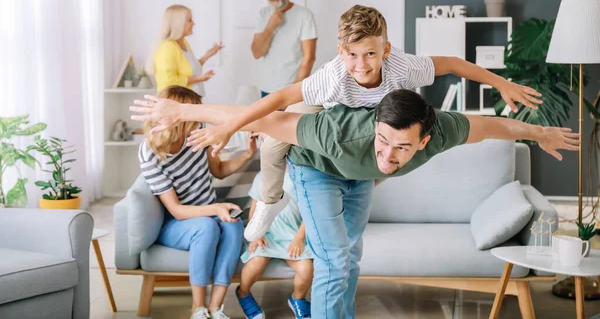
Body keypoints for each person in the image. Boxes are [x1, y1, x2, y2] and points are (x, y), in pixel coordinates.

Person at [130, 89, 579, 319]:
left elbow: (491, 126)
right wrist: (185, 110)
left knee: (351, 256)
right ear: (373, 129)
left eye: (402, 149)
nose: (389, 156)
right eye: (382, 142)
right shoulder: (338, 132)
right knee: (333, 257)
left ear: (425, 140)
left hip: (357, 178)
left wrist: (540, 133)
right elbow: (264, 115)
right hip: (314, 169)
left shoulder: (443, 131)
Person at [192, 4, 544, 243]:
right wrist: (231, 125)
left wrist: (501, 82)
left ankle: (355, 185)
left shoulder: (403, 67)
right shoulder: (332, 76)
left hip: (379, 121)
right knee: (273, 141)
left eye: (371, 54)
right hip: (328, 107)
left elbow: (452, 63)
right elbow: (280, 100)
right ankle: (270, 201)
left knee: (379, 160)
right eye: (353, 55)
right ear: (341, 51)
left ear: (386, 49)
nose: (362, 64)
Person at [138, 85, 257, 319]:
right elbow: (176, 210)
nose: (199, 116)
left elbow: (220, 170)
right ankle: (198, 308)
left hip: (208, 216)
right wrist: (215, 208)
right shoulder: (150, 152)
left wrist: (247, 155)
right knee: (206, 226)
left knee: (232, 224)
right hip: (176, 224)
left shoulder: (198, 133)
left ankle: (215, 308)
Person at [236, 171, 313, 319]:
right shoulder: (263, 176)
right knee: (255, 263)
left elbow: (310, 213)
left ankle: (298, 298)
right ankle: (243, 292)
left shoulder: (304, 175)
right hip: (267, 235)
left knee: (306, 269)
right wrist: (257, 235)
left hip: (292, 236)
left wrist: (299, 238)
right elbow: (254, 211)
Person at [251, 0, 317, 98]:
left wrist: (294, 92)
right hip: (267, 89)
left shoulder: (304, 15)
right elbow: (257, 53)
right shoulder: (263, 14)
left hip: (292, 90)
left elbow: (309, 58)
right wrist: (271, 26)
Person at [152, 4, 224, 96]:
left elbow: (190, 69)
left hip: (190, 100)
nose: (193, 24)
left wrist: (207, 55)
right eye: (189, 20)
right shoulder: (167, 47)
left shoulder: (183, 43)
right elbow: (169, 81)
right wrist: (200, 79)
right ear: (178, 23)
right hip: (176, 102)